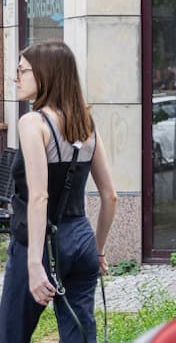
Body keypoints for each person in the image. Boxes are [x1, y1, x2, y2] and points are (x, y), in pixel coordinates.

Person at [1, 41, 118, 343]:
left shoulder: (32, 123)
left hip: (37, 243)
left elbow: (39, 197)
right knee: (80, 335)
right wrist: (99, 250)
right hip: (81, 241)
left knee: (12, 334)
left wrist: (33, 265)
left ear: (44, 75)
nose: (16, 77)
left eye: (22, 70)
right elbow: (110, 196)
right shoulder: (86, 124)